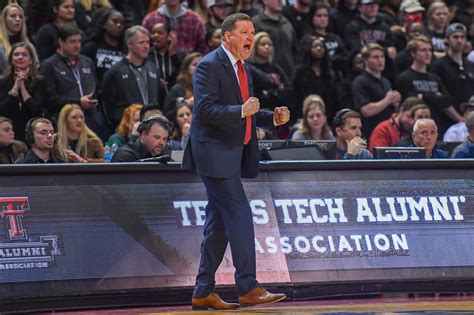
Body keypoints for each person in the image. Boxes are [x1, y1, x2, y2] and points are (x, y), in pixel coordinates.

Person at [182, 13, 289, 311]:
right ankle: (248, 286)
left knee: (218, 226)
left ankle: (203, 291)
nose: (250, 38)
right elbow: (204, 110)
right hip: (213, 154)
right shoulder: (208, 66)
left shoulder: (246, 70)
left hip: (231, 155)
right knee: (240, 215)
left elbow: (248, 110)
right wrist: (242, 110)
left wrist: (271, 117)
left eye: (252, 33)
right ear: (226, 36)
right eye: (244, 32)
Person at [396, 35, 462, 137]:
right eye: (423, 50)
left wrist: (460, 120)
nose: (428, 53)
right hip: (417, 129)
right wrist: (436, 97)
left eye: (430, 50)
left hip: (438, 126)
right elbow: (412, 103)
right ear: (413, 53)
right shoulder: (404, 78)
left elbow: (446, 101)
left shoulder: (435, 78)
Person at [103, 25, 160, 128]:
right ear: (129, 44)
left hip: (152, 126)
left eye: (147, 42)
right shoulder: (115, 72)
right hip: (127, 127)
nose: (146, 46)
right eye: (141, 42)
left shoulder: (153, 69)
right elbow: (109, 107)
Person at [0, 42, 48, 142]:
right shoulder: (4, 81)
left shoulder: (39, 81)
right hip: (11, 130)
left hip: (32, 130)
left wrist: (22, 87)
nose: (20, 57)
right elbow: (3, 111)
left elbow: (36, 110)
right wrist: (15, 86)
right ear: (11, 59)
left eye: (24, 54)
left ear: (31, 60)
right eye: (16, 54)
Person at [352, 43, 401, 138]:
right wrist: (388, 100)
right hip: (369, 131)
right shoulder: (360, 81)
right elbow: (366, 111)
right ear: (366, 60)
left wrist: (395, 103)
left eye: (382, 57)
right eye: (375, 57)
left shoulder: (386, 81)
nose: (380, 60)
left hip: (387, 131)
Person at [431, 23, 474, 113]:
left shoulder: (470, 65)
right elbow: (439, 96)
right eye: (455, 37)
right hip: (448, 117)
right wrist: (458, 118)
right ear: (447, 39)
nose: (459, 40)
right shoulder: (438, 65)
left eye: (462, 37)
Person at [141, 0, 208, 55]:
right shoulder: (150, 19)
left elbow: (203, 46)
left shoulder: (194, 19)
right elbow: (142, 44)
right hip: (157, 64)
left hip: (187, 65)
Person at [252, 0, 297, 77]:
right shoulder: (256, 23)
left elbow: (295, 50)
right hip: (265, 75)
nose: (280, 1)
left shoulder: (287, 23)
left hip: (289, 73)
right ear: (265, 1)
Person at [81, 7, 125, 84]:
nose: (119, 25)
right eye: (115, 21)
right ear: (104, 24)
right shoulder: (90, 47)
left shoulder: (126, 49)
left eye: (122, 23)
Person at [148, 22, 184, 107]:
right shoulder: (147, 54)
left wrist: (173, 54)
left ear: (169, 36)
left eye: (160, 33)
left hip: (175, 100)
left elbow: (183, 72)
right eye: (153, 33)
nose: (155, 35)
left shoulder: (180, 54)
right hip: (153, 100)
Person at [163, 52, 202, 120]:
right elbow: (167, 115)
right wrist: (185, 106)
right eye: (195, 65)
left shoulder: (211, 87)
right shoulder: (177, 90)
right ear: (186, 68)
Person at [0, 4, 35, 75]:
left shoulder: (29, 44)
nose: (18, 19)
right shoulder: (0, 46)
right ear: (4, 20)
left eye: (21, 17)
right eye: (13, 16)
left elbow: (36, 67)